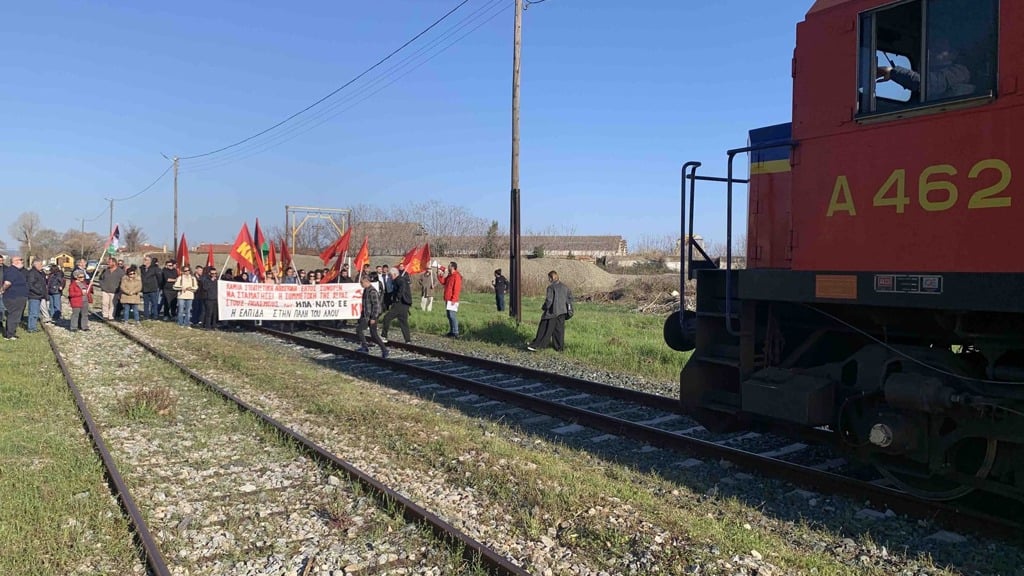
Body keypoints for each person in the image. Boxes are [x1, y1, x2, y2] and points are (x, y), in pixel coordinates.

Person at [877, 38, 972, 101]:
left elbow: (930, 84)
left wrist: (892, 72)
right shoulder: (929, 71)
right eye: (930, 49)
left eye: (938, 50)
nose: (930, 53)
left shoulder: (960, 72)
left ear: (953, 54)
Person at [527, 270, 574, 352]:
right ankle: (559, 348)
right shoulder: (565, 287)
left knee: (544, 329)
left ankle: (538, 345)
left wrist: (544, 307)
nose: (548, 280)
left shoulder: (551, 287)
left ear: (551, 278)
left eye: (549, 278)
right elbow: (569, 299)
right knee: (559, 331)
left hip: (552, 312)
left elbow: (549, 301)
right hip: (562, 312)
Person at [356, 272, 388, 358]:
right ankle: (382, 349)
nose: (361, 284)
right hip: (366, 316)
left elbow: (376, 306)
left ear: (366, 281)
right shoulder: (366, 290)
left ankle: (368, 348)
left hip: (371, 317)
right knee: (369, 333)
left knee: (371, 334)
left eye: (362, 283)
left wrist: (373, 317)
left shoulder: (372, 291)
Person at [381, 264, 413, 344]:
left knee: (387, 318)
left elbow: (402, 288)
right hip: (405, 304)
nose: (390, 277)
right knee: (403, 321)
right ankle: (408, 340)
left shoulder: (399, 280)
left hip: (400, 304)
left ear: (394, 274)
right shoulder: (399, 280)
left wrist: (397, 297)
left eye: (390, 275)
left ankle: (384, 336)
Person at [1, 256, 29, 340]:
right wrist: (2, 290)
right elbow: (7, 283)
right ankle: (10, 335)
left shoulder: (15, 271)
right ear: (16, 261)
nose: (22, 262)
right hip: (15, 297)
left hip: (17, 296)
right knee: (14, 316)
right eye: (21, 260)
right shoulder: (12, 271)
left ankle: (8, 333)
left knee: (13, 315)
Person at [437, 261, 463, 338]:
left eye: (449, 266)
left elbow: (456, 288)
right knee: (449, 315)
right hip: (447, 298)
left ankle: (455, 332)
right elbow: (443, 282)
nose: (447, 267)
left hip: (452, 299)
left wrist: (454, 299)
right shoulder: (449, 276)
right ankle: (452, 331)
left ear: (452, 267)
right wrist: (439, 276)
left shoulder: (456, 276)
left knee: (452, 316)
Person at [26, 260, 47, 332]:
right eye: (41, 264)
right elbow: (30, 285)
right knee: (33, 312)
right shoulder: (32, 273)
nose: (42, 266)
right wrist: (39, 292)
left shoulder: (39, 273)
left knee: (36, 312)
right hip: (34, 295)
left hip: (38, 295)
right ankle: (31, 328)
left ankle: (33, 327)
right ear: (36, 265)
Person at [141, 256, 163, 320]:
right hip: (145, 288)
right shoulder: (142, 268)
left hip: (153, 288)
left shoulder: (154, 268)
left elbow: (160, 278)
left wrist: (158, 285)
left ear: (150, 261)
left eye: (146, 260)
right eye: (144, 259)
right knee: (146, 303)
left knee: (154, 303)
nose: (144, 261)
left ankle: (155, 316)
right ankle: (146, 316)